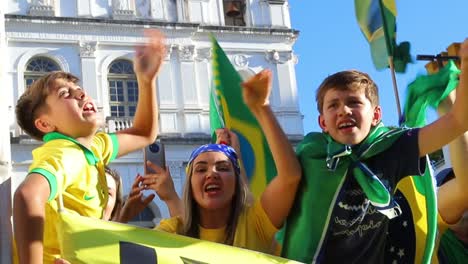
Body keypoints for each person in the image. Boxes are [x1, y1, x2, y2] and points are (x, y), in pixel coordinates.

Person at [280, 39, 468, 263]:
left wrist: (465, 65)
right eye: (333, 105)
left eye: (354, 102)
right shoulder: (310, 156)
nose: (344, 111)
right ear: (322, 123)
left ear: (376, 116)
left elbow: (457, 122)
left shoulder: (391, 148)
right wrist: (260, 109)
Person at [13, 29, 166, 263]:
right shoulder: (65, 153)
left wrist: (146, 81)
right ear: (45, 123)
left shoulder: (93, 148)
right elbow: (27, 195)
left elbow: (144, 133)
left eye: (78, 89)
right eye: (65, 93)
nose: (80, 93)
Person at [129, 69, 301, 254]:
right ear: (190, 185)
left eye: (223, 168)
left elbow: (289, 176)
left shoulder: (254, 222)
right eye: (201, 169)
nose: (212, 173)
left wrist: (262, 108)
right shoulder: (173, 230)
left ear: (237, 182)